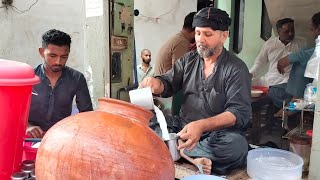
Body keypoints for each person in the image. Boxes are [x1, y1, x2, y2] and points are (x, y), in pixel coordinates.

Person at [140, 7, 251, 175]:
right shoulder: (189, 60)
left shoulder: (236, 68)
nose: (200, 40)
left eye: (207, 34)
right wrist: (156, 84)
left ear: (224, 36)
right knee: (145, 125)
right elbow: (168, 83)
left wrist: (202, 125)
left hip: (217, 135)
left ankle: (178, 150)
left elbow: (238, 112)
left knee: (237, 147)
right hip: (184, 127)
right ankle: (190, 154)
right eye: (198, 33)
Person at [27, 29, 93, 138]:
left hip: (61, 139)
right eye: (52, 56)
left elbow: (86, 115)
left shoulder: (77, 78)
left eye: (64, 57)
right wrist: (26, 126)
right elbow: (12, 111)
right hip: (31, 138)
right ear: (41, 52)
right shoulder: (28, 77)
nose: (58, 62)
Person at [250, 18, 307, 108]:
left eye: (292, 30)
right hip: (270, 80)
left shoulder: (301, 43)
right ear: (278, 31)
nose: (291, 34)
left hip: (289, 82)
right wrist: (250, 74)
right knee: (244, 83)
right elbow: (260, 62)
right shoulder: (269, 44)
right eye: (287, 31)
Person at [275, 12, 320, 117]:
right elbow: (309, 51)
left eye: (313, 29)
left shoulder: (303, 42)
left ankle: (296, 102)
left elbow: (315, 52)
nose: (312, 32)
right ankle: (296, 101)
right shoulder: (269, 44)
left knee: (301, 65)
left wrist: (289, 58)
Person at [154, 12, 196, 76]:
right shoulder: (182, 42)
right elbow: (179, 73)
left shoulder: (178, 38)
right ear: (196, 30)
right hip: (166, 84)